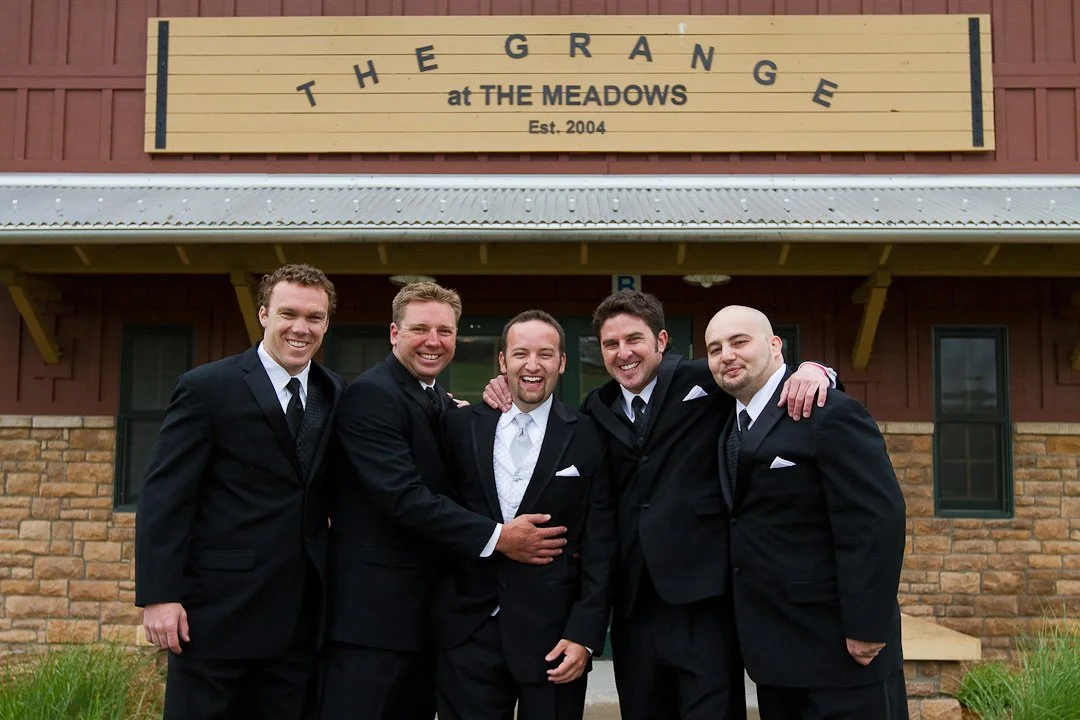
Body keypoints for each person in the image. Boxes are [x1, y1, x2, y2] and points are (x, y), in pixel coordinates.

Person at [485, 290, 834, 720]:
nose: (623, 353)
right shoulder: (598, 406)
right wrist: (501, 388)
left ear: (661, 341)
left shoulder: (704, 380)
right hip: (632, 603)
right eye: (611, 344)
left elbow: (761, 374)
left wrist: (817, 370)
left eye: (634, 340)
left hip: (703, 598)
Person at [320, 282, 569, 720]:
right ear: (394, 333)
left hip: (428, 616)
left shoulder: (437, 397)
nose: (433, 341)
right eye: (420, 329)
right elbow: (404, 497)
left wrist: (497, 398)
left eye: (445, 331)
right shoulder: (372, 395)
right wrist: (499, 537)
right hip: (374, 618)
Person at [135, 264, 344, 720]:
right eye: (289, 314)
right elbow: (165, 497)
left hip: (300, 619)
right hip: (215, 613)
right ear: (264, 314)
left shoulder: (335, 393)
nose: (301, 328)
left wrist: (454, 407)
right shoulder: (207, 388)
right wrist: (159, 595)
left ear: (327, 323)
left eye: (314, 317)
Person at [706, 304, 908, 720]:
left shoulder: (830, 412)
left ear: (775, 346)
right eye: (714, 348)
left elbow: (876, 521)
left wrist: (868, 626)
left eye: (739, 341)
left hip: (840, 649)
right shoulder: (729, 420)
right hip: (775, 654)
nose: (727, 355)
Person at [435, 310, 616, 720]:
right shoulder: (457, 426)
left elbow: (601, 543)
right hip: (467, 634)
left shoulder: (590, 435)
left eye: (545, 354)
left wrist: (584, 634)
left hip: (554, 638)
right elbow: (436, 516)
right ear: (502, 360)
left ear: (562, 362)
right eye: (520, 353)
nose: (532, 365)